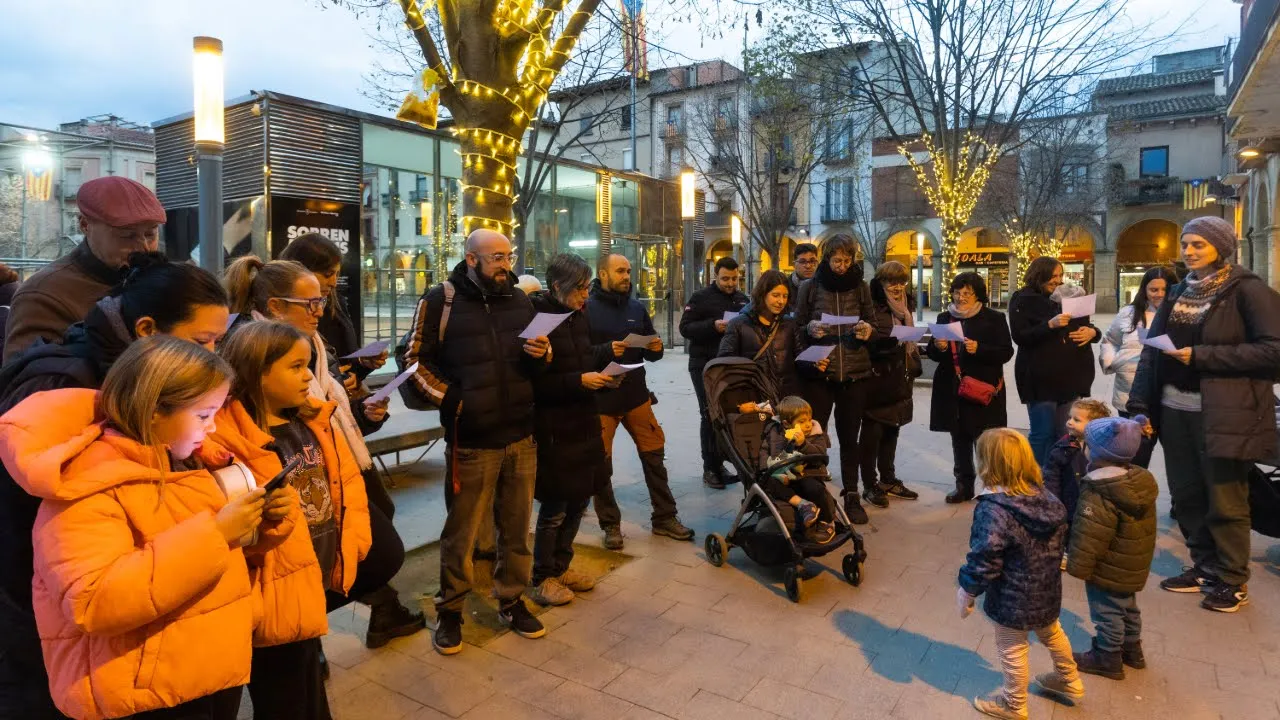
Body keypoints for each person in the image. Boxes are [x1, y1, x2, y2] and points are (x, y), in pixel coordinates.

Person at [0, 337, 291, 720]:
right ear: (154, 410)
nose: (214, 427)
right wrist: (216, 534)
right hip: (141, 694)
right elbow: (94, 601)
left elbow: (210, 559)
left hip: (194, 672)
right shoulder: (86, 485)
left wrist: (264, 522)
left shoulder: (183, 462)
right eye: (204, 415)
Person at [0, 254, 230, 720]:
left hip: (135, 602)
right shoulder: (63, 387)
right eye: (202, 341)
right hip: (57, 623)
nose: (211, 356)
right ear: (147, 329)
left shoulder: (145, 377)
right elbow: (52, 534)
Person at [224, 256, 424, 648]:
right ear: (275, 307)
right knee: (360, 557)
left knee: (373, 546)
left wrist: (365, 413)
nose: (321, 311)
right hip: (304, 482)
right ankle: (302, 626)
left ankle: (310, 627)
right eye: (311, 303)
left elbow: (330, 415)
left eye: (323, 299)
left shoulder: (313, 344)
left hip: (339, 461)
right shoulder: (253, 352)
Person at [216, 322, 383, 717]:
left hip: (315, 574)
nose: (309, 375)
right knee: (284, 695)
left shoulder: (312, 419)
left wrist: (353, 544)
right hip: (272, 593)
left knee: (308, 686)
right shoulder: (229, 441)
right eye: (295, 367)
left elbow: (346, 486)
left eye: (308, 364)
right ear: (257, 372)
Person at [401, 229, 553, 654]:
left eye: (509, 256)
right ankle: (450, 610)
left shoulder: (520, 300)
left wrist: (542, 353)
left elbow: (535, 357)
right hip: (471, 440)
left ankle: (512, 599)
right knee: (462, 534)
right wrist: (454, 400)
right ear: (471, 259)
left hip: (521, 434)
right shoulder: (439, 301)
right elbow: (411, 360)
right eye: (497, 258)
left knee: (517, 529)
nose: (507, 265)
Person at [1127, 216, 1280, 613]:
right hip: (1174, 410)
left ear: (1220, 247)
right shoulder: (1178, 292)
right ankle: (1204, 565)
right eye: (1186, 243)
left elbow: (1273, 351)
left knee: (1226, 498)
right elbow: (1151, 352)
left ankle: (1231, 578)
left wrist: (1201, 356)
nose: (1189, 251)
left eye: (1199, 244)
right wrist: (1140, 405)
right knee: (1187, 493)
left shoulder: (1247, 291)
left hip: (1226, 412)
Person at [957, 428, 1082, 720]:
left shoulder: (994, 509)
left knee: (1011, 647)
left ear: (987, 464)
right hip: (1047, 590)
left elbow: (984, 558)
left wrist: (967, 590)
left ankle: (1013, 704)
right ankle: (1069, 677)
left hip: (1012, 598)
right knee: (1052, 632)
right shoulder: (1045, 496)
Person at [526, 254, 615, 607]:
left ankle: (562, 567)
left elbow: (583, 356)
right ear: (557, 287)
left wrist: (607, 365)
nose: (585, 296)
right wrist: (578, 380)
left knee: (579, 501)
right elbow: (532, 382)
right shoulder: (538, 320)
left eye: (587, 287)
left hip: (584, 420)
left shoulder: (579, 314)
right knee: (555, 508)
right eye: (579, 288)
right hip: (555, 428)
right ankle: (542, 576)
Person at [588, 253, 694, 548]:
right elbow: (581, 353)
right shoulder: (586, 308)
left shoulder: (636, 307)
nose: (627, 276)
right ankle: (610, 524)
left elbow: (651, 352)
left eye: (629, 271)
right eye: (620, 271)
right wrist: (607, 351)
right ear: (603, 274)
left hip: (636, 395)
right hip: (600, 400)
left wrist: (656, 347)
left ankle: (664, 517)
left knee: (654, 456)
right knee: (601, 464)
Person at [5, 176, 165, 361]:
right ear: (85, 225)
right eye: (127, 236)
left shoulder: (162, 280)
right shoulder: (42, 295)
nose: (143, 247)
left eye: (150, 234)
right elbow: (26, 380)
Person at [792, 234, 889, 523]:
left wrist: (867, 330)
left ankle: (851, 494)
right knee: (815, 436)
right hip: (821, 374)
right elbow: (796, 329)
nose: (842, 266)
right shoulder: (810, 288)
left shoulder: (860, 288)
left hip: (854, 374)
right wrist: (810, 328)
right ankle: (815, 492)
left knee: (850, 439)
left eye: (847, 260)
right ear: (827, 259)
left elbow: (873, 325)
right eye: (837, 260)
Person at [1066, 415, 1158, 681]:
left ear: (1096, 452)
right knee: (1128, 607)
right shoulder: (1138, 482)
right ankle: (1132, 650)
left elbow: (1091, 535)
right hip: (1131, 564)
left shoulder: (1100, 490)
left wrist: (1078, 566)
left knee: (1107, 612)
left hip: (1108, 567)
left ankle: (1107, 657)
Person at [926, 272, 1015, 504]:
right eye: (957, 292)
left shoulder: (993, 318)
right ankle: (963, 486)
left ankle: (992, 487)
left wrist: (981, 349)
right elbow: (933, 354)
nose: (961, 297)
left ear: (977, 295)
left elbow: (1006, 352)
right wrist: (939, 346)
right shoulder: (945, 317)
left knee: (987, 441)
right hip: (954, 390)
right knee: (960, 438)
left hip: (983, 389)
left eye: (967, 293)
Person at [1008, 256, 1101, 465]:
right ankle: (1035, 479)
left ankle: (1060, 478)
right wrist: (1049, 325)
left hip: (1070, 376)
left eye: (1060, 275)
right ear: (1038, 275)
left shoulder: (1069, 297)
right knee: (1042, 433)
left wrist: (1093, 332)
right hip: (1040, 378)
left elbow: (1085, 327)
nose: (1057, 281)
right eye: (1053, 276)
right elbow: (1020, 336)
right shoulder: (1023, 299)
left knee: (1064, 432)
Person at [280, 232, 388, 381]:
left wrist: (362, 364)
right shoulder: (278, 320)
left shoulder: (335, 302)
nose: (334, 282)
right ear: (301, 270)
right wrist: (334, 381)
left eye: (337, 274)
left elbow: (344, 361)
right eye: (328, 274)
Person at [680, 256, 749, 489]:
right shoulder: (700, 298)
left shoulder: (742, 300)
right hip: (704, 365)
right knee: (709, 415)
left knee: (726, 416)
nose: (730, 283)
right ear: (715, 277)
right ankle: (709, 467)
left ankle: (720, 463)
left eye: (734, 278)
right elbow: (685, 328)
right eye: (725, 279)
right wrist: (713, 326)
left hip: (730, 366)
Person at [1099, 266, 1177, 468]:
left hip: (1170, 397)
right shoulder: (1128, 313)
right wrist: (1113, 361)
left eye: (1164, 289)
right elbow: (1109, 340)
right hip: (1130, 396)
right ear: (1144, 290)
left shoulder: (1181, 314)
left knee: (1178, 460)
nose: (1159, 294)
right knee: (1135, 459)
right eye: (1153, 290)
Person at [860, 261, 922, 505]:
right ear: (881, 282)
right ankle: (869, 484)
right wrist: (891, 342)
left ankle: (888, 478)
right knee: (872, 435)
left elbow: (908, 342)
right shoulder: (872, 306)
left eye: (901, 282)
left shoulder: (906, 305)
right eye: (891, 282)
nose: (897, 287)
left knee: (892, 429)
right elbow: (867, 340)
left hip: (900, 376)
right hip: (877, 377)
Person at [718, 269, 816, 400]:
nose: (781, 301)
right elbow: (725, 363)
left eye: (785, 296)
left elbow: (800, 358)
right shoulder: (738, 324)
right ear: (762, 294)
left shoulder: (789, 324)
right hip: (754, 398)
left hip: (787, 398)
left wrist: (813, 364)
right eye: (775, 295)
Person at [759, 396, 838, 543]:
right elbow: (765, 451)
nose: (808, 425)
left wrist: (803, 445)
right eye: (802, 422)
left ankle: (828, 521)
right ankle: (804, 505)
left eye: (809, 419)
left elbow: (820, 455)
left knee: (815, 488)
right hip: (784, 476)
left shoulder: (815, 434)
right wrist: (768, 469)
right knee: (769, 482)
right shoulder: (775, 433)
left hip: (807, 475)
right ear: (786, 424)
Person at [1042, 398, 1111, 548]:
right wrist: (1053, 501)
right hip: (1068, 502)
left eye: (1076, 420)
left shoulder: (1104, 449)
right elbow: (1051, 477)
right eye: (1070, 417)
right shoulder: (1062, 447)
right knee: (1070, 533)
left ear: (1094, 426)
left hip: (1093, 505)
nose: (1069, 422)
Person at [785, 242, 819, 315]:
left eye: (812, 261)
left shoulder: (823, 286)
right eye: (802, 261)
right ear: (794, 264)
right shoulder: (785, 287)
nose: (808, 266)